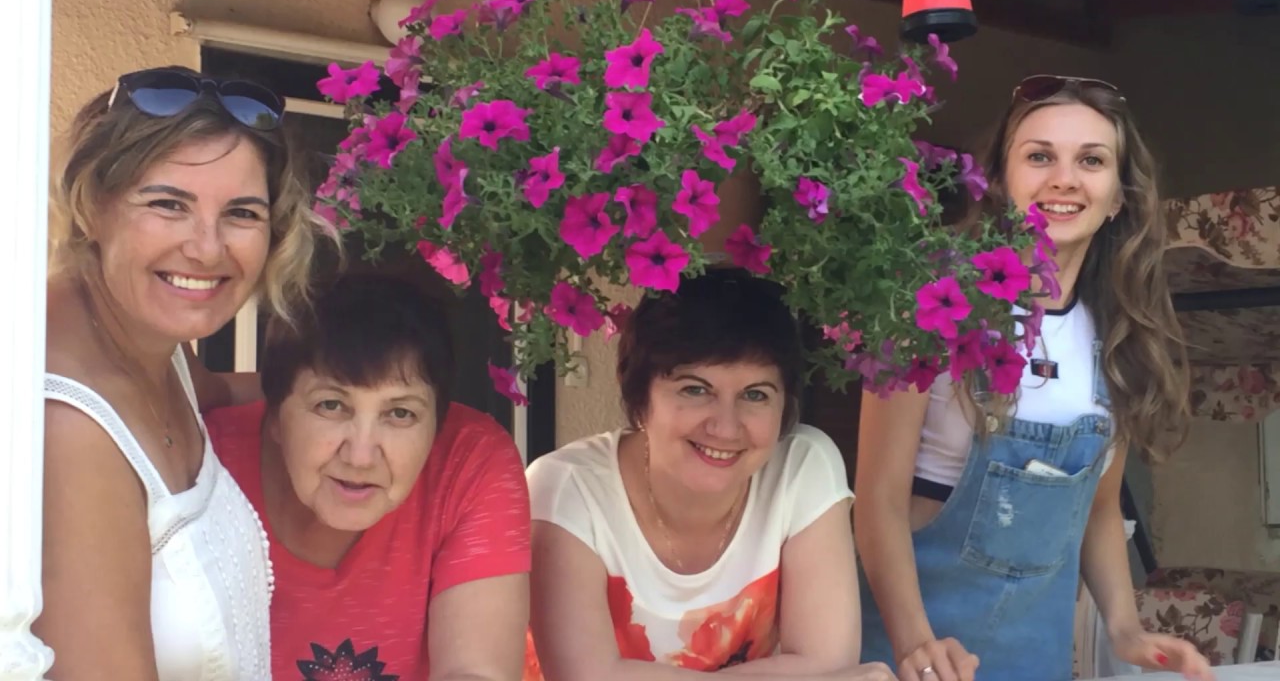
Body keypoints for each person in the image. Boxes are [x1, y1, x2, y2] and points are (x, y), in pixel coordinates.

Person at [854, 75, 1213, 681]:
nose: (1064, 179)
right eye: (1040, 156)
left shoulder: (1118, 335)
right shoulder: (933, 304)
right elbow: (878, 501)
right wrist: (915, 644)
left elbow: (1098, 509)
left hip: (1033, 657)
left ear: (1118, 197)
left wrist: (1126, 629)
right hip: (910, 651)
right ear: (1000, 181)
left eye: (1091, 161)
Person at [39, 66, 321, 680]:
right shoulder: (68, 426)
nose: (207, 248)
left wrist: (373, 400)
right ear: (92, 205)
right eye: (168, 204)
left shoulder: (157, 349)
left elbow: (228, 389)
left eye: (242, 213)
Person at [525, 268, 892, 681]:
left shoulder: (803, 468)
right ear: (639, 396)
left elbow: (829, 663)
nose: (725, 427)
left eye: (755, 395)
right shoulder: (567, 489)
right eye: (695, 390)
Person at [204, 273, 531, 681]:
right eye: (330, 405)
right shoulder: (200, 464)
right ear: (274, 417)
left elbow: (476, 673)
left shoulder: (470, 463)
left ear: (437, 424)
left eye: (400, 413)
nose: (360, 457)